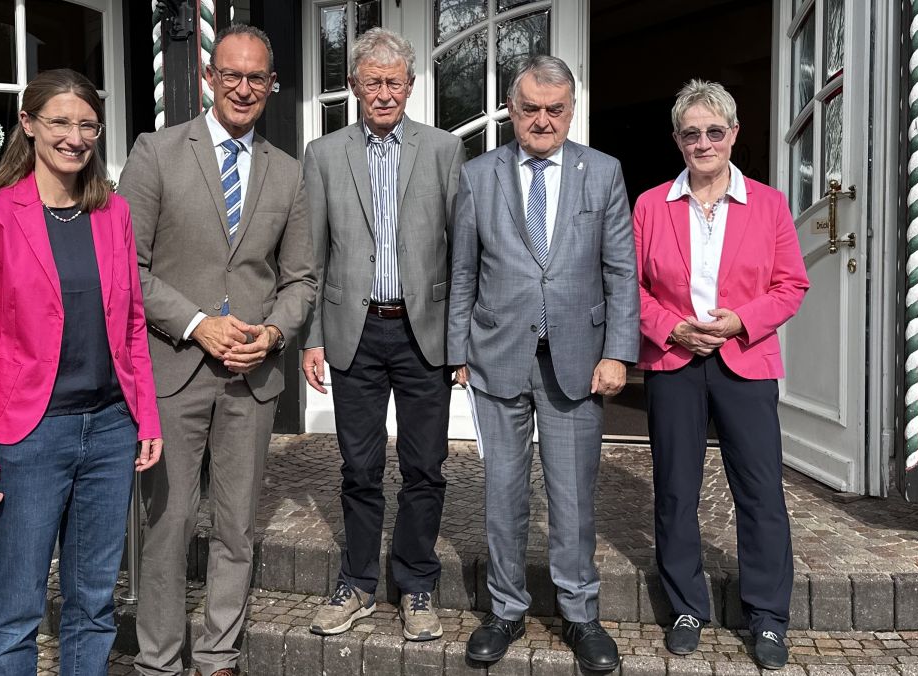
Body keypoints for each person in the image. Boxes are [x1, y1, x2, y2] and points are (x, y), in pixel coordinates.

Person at [0, 68, 163, 674]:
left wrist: (144, 413)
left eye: (87, 124)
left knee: (94, 604)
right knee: (16, 611)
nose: (75, 136)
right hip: (28, 437)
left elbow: (132, 325)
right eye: (61, 122)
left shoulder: (112, 213)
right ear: (29, 125)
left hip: (110, 430)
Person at [118, 24, 316, 676]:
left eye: (256, 77)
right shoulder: (157, 152)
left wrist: (275, 334)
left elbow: (301, 280)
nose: (243, 87)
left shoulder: (290, 173)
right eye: (231, 74)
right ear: (209, 76)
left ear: (271, 85)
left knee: (236, 527)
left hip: (251, 379)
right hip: (173, 370)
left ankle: (219, 654)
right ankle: (158, 660)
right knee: (167, 524)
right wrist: (197, 321)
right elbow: (128, 268)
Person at [447, 54, 639, 672]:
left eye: (555, 109)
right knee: (501, 494)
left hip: (577, 362)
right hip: (497, 357)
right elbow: (462, 274)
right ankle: (505, 610)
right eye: (530, 108)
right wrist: (457, 353)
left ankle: (580, 614)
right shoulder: (478, 175)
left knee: (574, 497)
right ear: (511, 107)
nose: (542, 120)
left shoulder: (603, 172)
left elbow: (620, 273)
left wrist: (617, 353)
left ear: (571, 110)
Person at [633, 79, 809, 670]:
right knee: (676, 488)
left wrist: (740, 321)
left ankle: (767, 617)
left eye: (714, 131)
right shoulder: (650, 205)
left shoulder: (769, 204)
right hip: (675, 361)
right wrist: (671, 329)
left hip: (745, 359)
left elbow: (791, 286)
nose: (703, 142)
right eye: (691, 133)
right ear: (678, 141)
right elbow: (629, 288)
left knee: (759, 491)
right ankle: (687, 606)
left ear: (733, 134)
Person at [300, 27, 465, 642]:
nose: (385, 92)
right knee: (359, 468)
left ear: (411, 86)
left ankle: (417, 585)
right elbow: (311, 256)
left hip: (425, 333)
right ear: (354, 87)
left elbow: (462, 254)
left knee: (426, 467)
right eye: (373, 82)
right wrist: (312, 337)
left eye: (395, 82)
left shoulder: (445, 150)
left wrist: (462, 341)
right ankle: (358, 583)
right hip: (354, 332)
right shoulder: (324, 155)